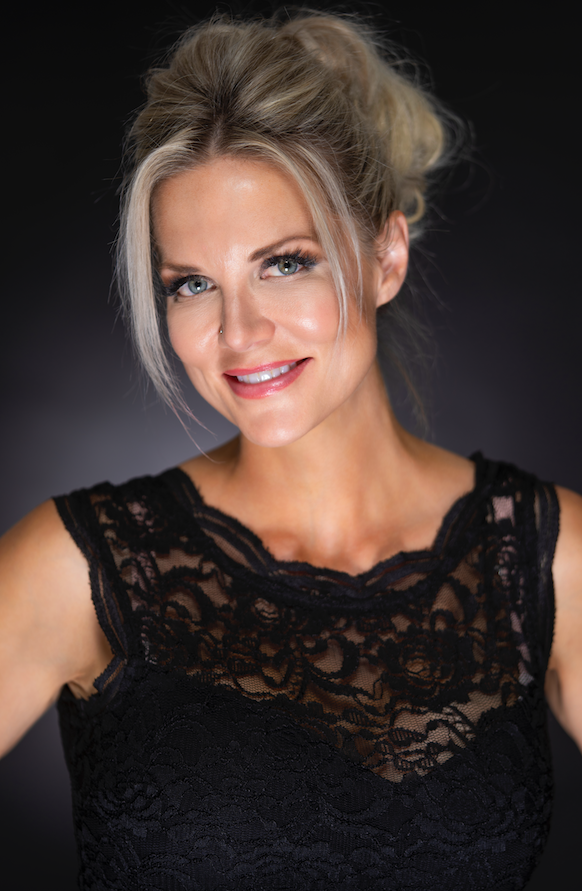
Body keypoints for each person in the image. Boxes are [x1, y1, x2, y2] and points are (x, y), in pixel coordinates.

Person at [1, 9, 581, 890]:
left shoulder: (549, 559)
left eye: (284, 263)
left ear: (385, 256)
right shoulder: (76, 566)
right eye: (193, 283)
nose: (239, 332)